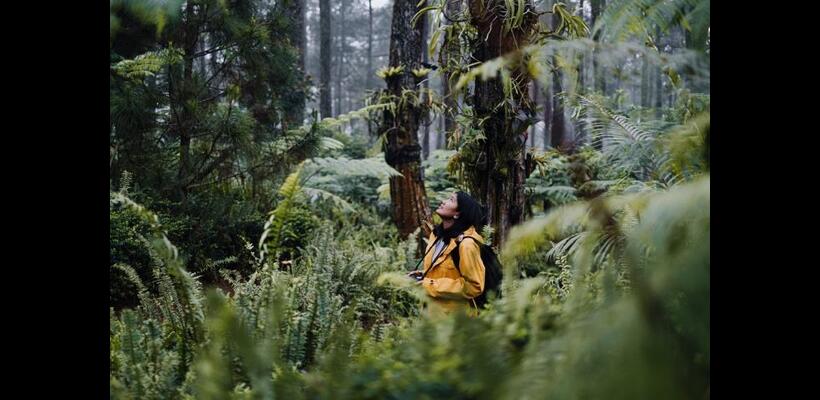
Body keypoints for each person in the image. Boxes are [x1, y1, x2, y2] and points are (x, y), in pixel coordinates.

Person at [408, 191, 486, 316]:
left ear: (458, 213)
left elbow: (474, 286)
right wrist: (422, 276)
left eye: (451, 200)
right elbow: (447, 271)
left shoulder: (466, 245)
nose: (443, 201)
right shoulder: (436, 235)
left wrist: (430, 284)